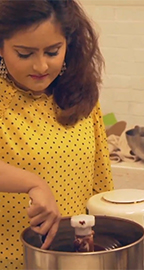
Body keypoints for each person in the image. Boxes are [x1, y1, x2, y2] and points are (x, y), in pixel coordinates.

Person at [0, 0, 114, 268]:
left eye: (52, 52)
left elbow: (100, 181)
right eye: (25, 54)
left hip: (73, 259)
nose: (40, 66)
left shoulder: (80, 94)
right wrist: (33, 183)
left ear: (68, 44)